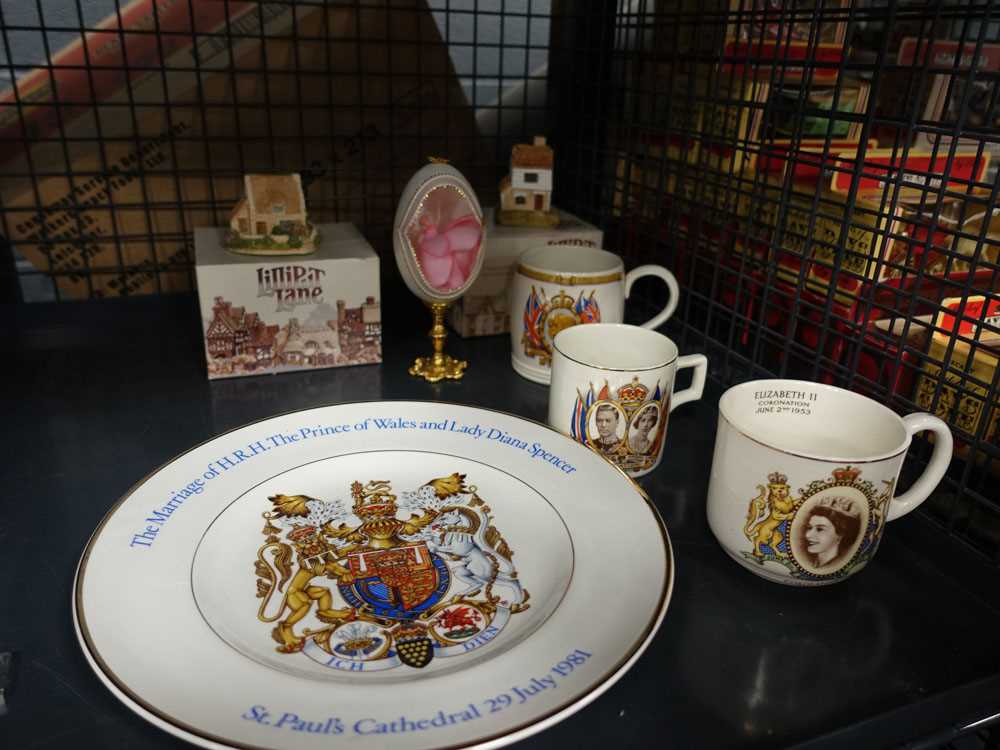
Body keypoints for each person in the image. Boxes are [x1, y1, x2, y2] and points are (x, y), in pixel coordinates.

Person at [802, 496, 863, 569]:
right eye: (809, 528)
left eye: (820, 529)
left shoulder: (839, 563)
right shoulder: (814, 563)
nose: (808, 535)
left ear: (840, 534)